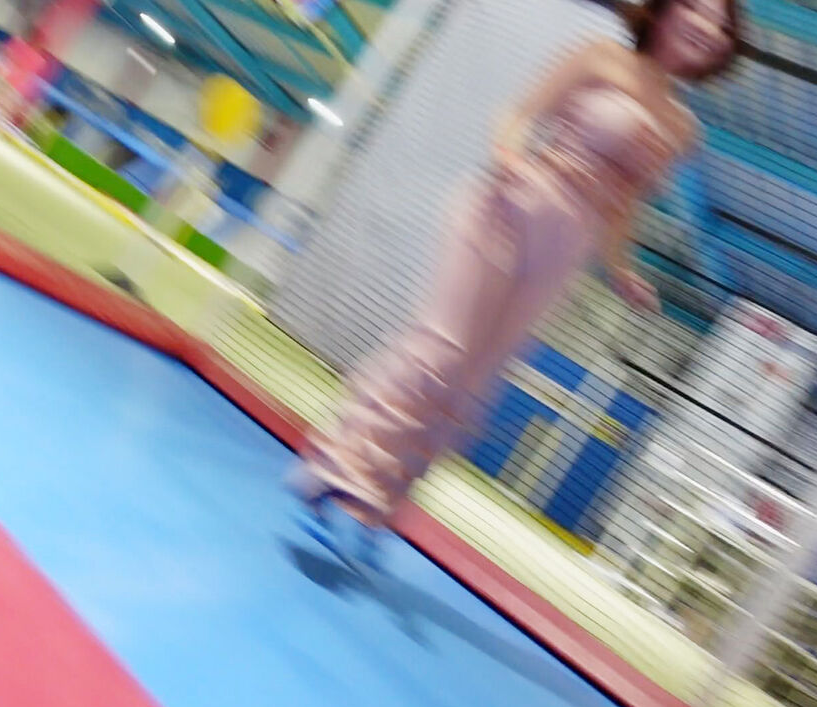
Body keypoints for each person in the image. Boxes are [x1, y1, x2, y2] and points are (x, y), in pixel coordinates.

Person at [291, 0, 741, 570]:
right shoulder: (602, 57)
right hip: (514, 204)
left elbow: (624, 204)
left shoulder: (681, 129)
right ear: (665, 12)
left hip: (565, 248)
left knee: (471, 385)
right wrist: (508, 153)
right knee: (440, 350)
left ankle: (377, 502)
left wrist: (621, 268)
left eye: (720, 24)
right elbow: (520, 113)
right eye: (696, 9)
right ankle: (339, 465)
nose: (706, 27)